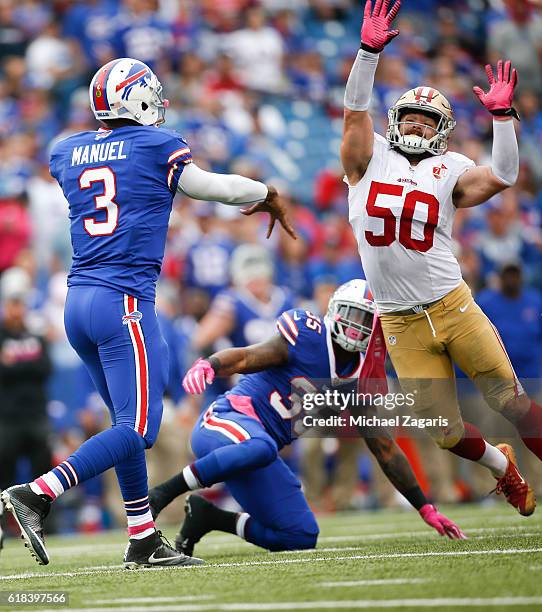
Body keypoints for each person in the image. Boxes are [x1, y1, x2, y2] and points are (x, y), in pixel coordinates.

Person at [1, 57, 295, 569]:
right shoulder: (157, 145)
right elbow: (210, 187)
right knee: (139, 429)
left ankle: (142, 536)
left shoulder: (66, 149)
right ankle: (38, 493)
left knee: (123, 424)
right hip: (124, 304)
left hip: (78, 305)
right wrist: (265, 192)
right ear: (133, 99)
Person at [340, 0, 540, 517]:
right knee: (444, 434)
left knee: (510, 401)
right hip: (401, 323)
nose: (417, 125)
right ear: (394, 119)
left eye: (427, 120)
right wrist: (366, 54)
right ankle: (503, 469)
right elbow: (353, 112)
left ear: (443, 129)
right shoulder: (368, 157)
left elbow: (504, 175)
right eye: (409, 116)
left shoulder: (451, 168)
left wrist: (502, 118)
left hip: (452, 305)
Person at [148, 280, 465, 555]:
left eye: (366, 321)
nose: (357, 328)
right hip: (224, 423)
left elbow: (385, 449)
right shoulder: (308, 336)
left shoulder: (356, 380)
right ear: (335, 312)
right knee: (262, 446)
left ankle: (208, 517)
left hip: (256, 451)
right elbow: (248, 355)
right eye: (353, 316)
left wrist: (424, 507)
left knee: (300, 535)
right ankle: (161, 494)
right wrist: (212, 365)